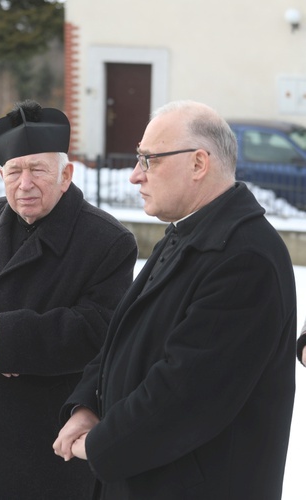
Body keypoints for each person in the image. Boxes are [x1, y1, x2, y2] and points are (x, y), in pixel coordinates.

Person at [54, 100, 297, 499]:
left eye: (149, 160)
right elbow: (122, 339)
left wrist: (99, 445)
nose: (135, 175)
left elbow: (187, 392)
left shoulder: (244, 257)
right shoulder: (189, 233)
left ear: (199, 164)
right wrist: (87, 405)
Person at [0, 100, 137, 499]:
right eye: (14, 171)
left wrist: (8, 337)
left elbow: (102, 329)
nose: (25, 183)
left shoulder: (107, 241)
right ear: (1, 174)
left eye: (38, 170)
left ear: (65, 174)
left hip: (46, 452)